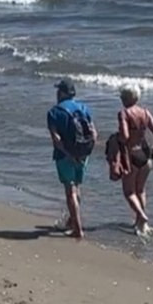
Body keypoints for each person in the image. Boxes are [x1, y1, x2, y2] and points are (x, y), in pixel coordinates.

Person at [45, 79, 97, 239]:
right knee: (77, 188)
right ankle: (71, 221)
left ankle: (77, 228)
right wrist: (85, 153)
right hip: (83, 154)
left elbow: (56, 139)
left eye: (58, 91)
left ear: (61, 93)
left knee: (70, 190)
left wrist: (69, 155)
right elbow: (94, 134)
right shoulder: (83, 108)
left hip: (64, 155)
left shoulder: (54, 112)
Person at [115, 85, 153, 233]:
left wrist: (115, 139)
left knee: (129, 192)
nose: (120, 99)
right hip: (145, 155)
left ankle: (141, 216)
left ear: (126, 98)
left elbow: (125, 136)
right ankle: (140, 224)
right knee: (141, 190)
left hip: (131, 155)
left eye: (122, 96)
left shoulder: (124, 113)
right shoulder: (145, 113)